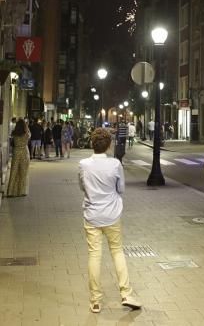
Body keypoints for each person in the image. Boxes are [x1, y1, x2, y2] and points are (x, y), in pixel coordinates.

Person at [78, 128, 141, 314]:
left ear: (92, 143)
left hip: (92, 215)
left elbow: (82, 186)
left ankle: (95, 300)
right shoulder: (115, 164)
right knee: (117, 252)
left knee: (94, 255)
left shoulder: (83, 164)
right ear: (108, 145)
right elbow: (121, 189)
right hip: (112, 214)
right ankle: (126, 293)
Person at [7, 119, 31, 197]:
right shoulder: (26, 133)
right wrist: (27, 127)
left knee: (14, 172)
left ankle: (11, 191)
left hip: (16, 152)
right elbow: (30, 136)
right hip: (24, 152)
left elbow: (12, 142)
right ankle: (22, 191)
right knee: (23, 172)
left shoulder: (14, 133)